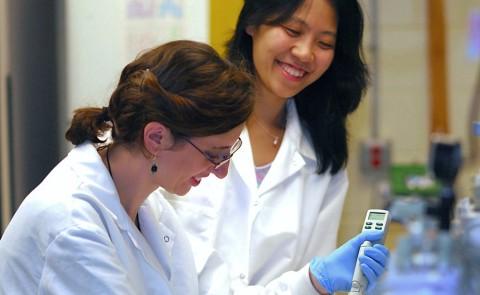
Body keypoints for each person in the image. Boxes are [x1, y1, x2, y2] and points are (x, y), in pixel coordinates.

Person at [163, 0, 389, 294]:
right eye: (292, 30)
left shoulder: (323, 157)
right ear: (253, 23)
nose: (305, 53)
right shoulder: (184, 116)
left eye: (324, 43)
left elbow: (314, 281)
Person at [0, 40, 254, 294]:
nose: (222, 171)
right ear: (156, 138)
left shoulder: (146, 203)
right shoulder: (73, 226)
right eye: (213, 155)